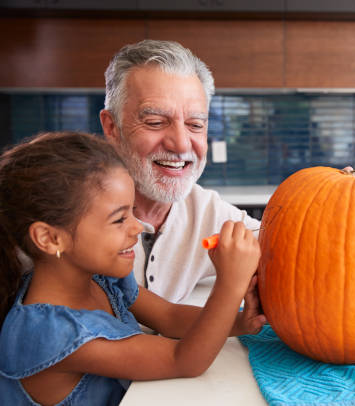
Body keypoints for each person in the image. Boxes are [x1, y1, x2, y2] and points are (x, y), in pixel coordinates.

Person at [0, 131, 262, 405]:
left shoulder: (100, 278)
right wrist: (230, 285)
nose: (137, 226)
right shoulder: (49, 333)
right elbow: (183, 360)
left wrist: (236, 322)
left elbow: (169, 316)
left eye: (132, 211)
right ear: (49, 238)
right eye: (118, 219)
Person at [99, 40, 262, 304]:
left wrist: (344, 192)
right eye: (155, 122)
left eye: (195, 124)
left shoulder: (208, 212)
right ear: (111, 127)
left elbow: (294, 244)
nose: (182, 144)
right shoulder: (73, 212)